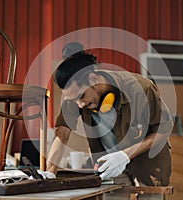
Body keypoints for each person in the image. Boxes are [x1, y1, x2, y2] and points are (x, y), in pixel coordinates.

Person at [46, 42, 173, 199]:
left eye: (81, 97)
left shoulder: (140, 89)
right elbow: (63, 131)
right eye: (74, 100)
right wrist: (50, 172)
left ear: (93, 79)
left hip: (148, 160)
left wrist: (125, 156)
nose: (80, 105)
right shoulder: (74, 95)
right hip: (109, 164)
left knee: (151, 196)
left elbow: (164, 129)